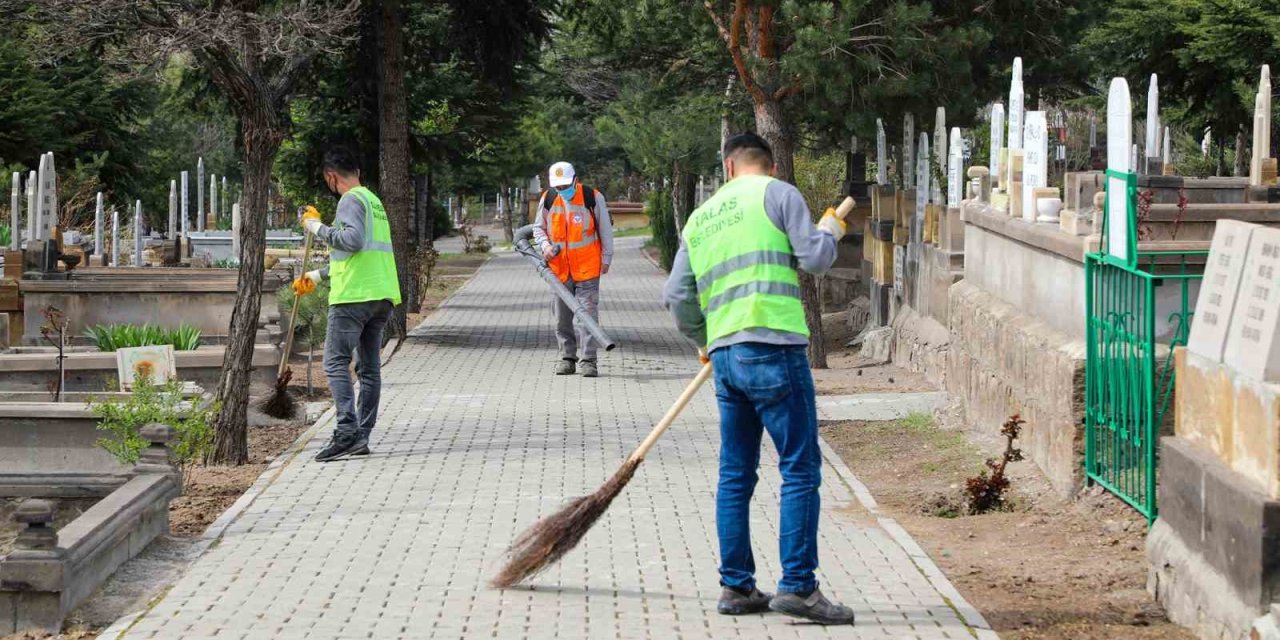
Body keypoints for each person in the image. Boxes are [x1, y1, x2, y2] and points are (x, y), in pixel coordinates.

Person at [662, 132, 855, 625]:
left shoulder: (701, 218)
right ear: (770, 166)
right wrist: (830, 230)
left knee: (735, 473)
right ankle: (799, 587)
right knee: (800, 468)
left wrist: (705, 338)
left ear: (728, 168)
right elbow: (814, 259)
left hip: (726, 356)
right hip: (775, 350)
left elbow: (677, 296)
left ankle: (736, 587)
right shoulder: (779, 194)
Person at [292, 146, 402, 462]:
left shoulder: (350, 200)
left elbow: (351, 241)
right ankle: (361, 436)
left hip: (353, 297)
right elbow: (359, 254)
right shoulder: (373, 201)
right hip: (380, 295)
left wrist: (314, 226)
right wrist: (317, 275)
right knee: (369, 368)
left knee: (334, 362)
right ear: (358, 171)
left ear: (331, 176)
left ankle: (346, 431)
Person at [532, 161, 614, 378]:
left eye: (565, 186)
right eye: (558, 187)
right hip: (559, 270)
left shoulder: (592, 197)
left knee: (587, 316)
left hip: (587, 268)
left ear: (575, 180)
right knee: (562, 317)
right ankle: (567, 358)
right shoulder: (549, 198)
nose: (562, 190)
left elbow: (605, 231)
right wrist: (545, 246)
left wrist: (606, 258)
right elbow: (538, 229)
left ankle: (589, 361)